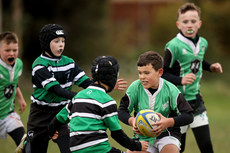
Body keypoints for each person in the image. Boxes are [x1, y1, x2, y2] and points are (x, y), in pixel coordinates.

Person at [22, 24, 127, 153]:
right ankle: (29, 141)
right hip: (40, 114)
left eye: (63, 41)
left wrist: (104, 85)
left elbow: (86, 83)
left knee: (69, 150)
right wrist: (80, 98)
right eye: (56, 41)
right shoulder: (39, 65)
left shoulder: (69, 63)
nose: (61, 45)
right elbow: (57, 90)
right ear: (46, 43)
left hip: (62, 112)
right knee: (36, 149)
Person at [48, 55, 149, 153]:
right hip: (98, 149)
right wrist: (137, 146)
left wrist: (51, 132)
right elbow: (117, 134)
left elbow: (59, 119)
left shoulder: (78, 97)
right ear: (113, 77)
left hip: (75, 149)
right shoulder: (108, 101)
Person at [162, 3, 223, 153]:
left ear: (199, 24)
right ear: (178, 24)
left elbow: (198, 62)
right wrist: (180, 80)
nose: (189, 25)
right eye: (185, 21)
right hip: (178, 106)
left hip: (196, 103)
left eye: (193, 21)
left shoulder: (203, 43)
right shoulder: (173, 46)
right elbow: (162, 73)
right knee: (178, 149)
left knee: (207, 147)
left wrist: (210, 67)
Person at [118, 51, 194, 153]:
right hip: (142, 135)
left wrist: (168, 122)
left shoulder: (171, 89)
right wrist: (132, 121)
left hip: (167, 134)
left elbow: (188, 115)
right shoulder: (135, 87)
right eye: (140, 73)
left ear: (160, 72)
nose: (142, 77)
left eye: (146, 73)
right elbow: (121, 111)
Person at [0, 32, 27, 146]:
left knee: (25, 144)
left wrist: (21, 98)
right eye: (7, 50)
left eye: (15, 50)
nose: (11, 53)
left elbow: (14, 83)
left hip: (8, 115)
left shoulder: (19, 64)